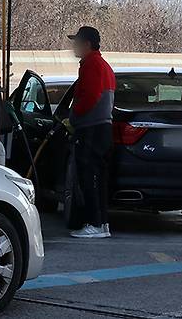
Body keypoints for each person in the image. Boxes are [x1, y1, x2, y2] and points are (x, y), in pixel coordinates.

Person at [66, 26, 116, 239]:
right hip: (102, 128)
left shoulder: (91, 65)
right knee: (99, 177)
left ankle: (94, 224)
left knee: (89, 176)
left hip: (91, 129)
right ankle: (101, 223)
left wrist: (74, 115)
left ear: (87, 44)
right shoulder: (103, 64)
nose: (74, 47)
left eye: (77, 42)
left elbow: (90, 95)